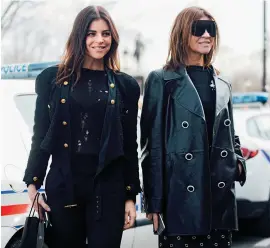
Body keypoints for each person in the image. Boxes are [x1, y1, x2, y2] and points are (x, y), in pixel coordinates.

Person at [23, 5, 141, 248]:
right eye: (92, 33)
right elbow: (41, 134)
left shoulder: (125, 86)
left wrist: (130, 196)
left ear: (113, 38)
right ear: (79, 36)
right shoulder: (51, 80)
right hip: (65, 185)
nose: (100, 40)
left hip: (109, 188)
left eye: (106, 34)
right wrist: (33, 183)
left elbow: (129, 144)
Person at [140, 6, 247, 248]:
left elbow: (230, 134)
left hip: (218, 196)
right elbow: (151, 146)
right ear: (182, 33)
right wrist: (154, 202)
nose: (207, 35)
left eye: (212, 29)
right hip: (180, 198)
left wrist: (237, 163)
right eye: (199, 29)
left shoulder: (222, 82)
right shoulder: (162, 80)